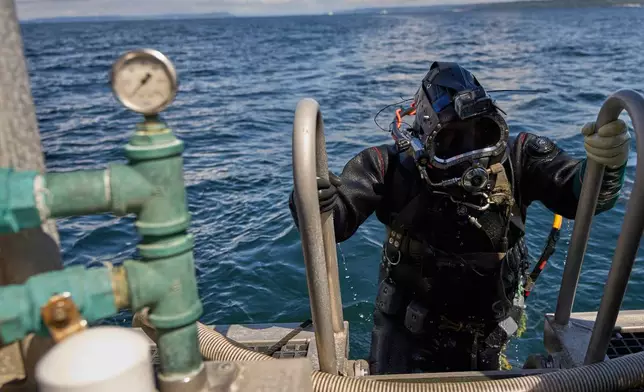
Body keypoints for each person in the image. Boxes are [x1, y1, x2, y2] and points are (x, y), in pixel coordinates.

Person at [288, 61, 630, 375]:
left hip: (493, 326)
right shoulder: (388, 167)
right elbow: (335, 224)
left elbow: (584, 196)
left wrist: (605, 167)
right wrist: (314, 200)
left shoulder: (520, 156)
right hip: (406, 331)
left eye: (483, 135)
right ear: (423, 141)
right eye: (450, 143)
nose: (473, 160)